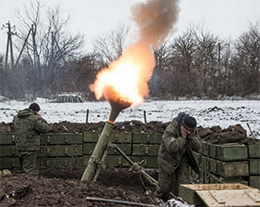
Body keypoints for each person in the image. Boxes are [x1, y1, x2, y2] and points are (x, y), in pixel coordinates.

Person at [155, 112, 201, 201]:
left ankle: (183, 201)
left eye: (191, 131)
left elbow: (198, 147)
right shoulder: (171, 130)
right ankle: (159, 200)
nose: (189, 133)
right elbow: (172, 148)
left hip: (182, 158)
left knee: (184, 184)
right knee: (164, 186)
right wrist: (183, 138)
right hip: (167, 159)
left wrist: (191, 138)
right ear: (182, 126)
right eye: (187, 130)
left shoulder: (192, 131)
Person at [13, 103, 49, 175]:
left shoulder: (16, 117)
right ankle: (29, 184)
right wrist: (41, 119)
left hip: (19, 145)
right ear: (36, 111)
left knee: (24, 168)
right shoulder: (34, 119)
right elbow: (45, 128)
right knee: (29, 171)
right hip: (30, 148)